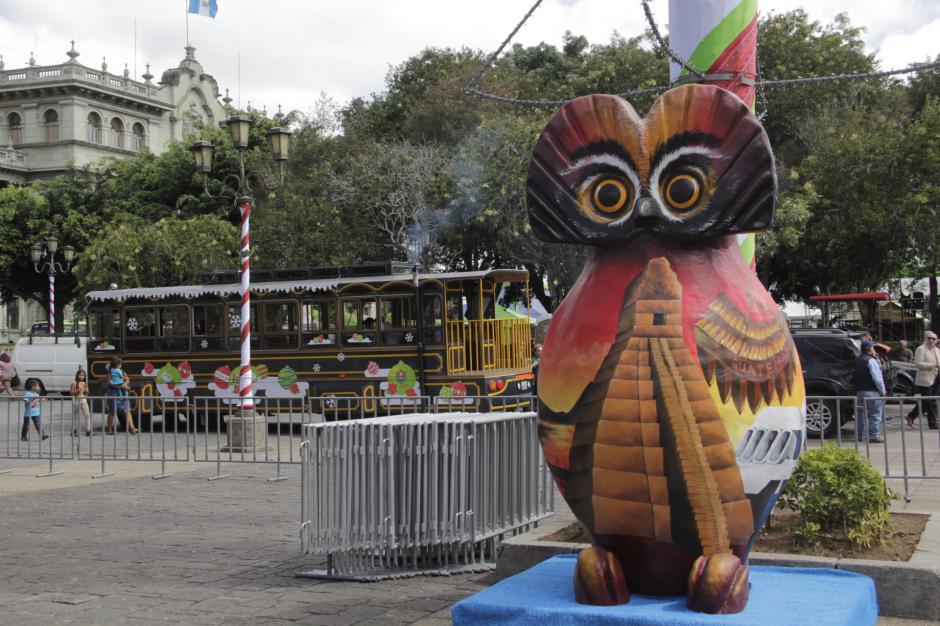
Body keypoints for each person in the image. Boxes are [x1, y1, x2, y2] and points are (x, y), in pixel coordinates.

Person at [905, 331, 940, 430]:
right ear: (925, 339)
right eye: (929, 338)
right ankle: (911, 416)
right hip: (925, 379)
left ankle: (932, 423)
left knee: (933, 401)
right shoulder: (921, 349)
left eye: (933, 339)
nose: (931, 340)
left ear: (936, 340)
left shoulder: (937, 350)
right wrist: (933, 365)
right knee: (927, 401)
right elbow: (918, 364)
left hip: (936, 377)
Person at [855, 339, 887, 443]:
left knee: (860, 414)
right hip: (872, 391)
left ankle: (860, 435)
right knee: (875, 413)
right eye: (873, 347)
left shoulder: (857, 360)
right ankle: (873, 435)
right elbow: (877, 378)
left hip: (860, 391)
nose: (874, 350)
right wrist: (882, 390)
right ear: (869, 349)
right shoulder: (871, 361)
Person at [106, 356, 138, 434]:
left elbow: (127, 379)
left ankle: (132, 428)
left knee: (127, 410)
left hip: (123, 393)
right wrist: (120, 386)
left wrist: (126, 383)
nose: (121, 365)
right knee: (112, 411)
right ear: (115, 364)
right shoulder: (110, 372)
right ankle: (110, 430)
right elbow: (110, 382)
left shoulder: (122, 371)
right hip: (113, 393)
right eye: (119, 363)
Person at [70, 369, 92, 437]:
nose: (81, 376)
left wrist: (85, 389)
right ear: (77, 375)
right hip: (76, 400)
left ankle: (88, 430)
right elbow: (71, 392)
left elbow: (87, 392)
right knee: (75, 415)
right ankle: (74, 429)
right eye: (80, 375)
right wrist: (76, 391)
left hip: (83, 399)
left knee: (87, 414)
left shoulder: (85, 383)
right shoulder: (74, 383)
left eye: (83, 375)